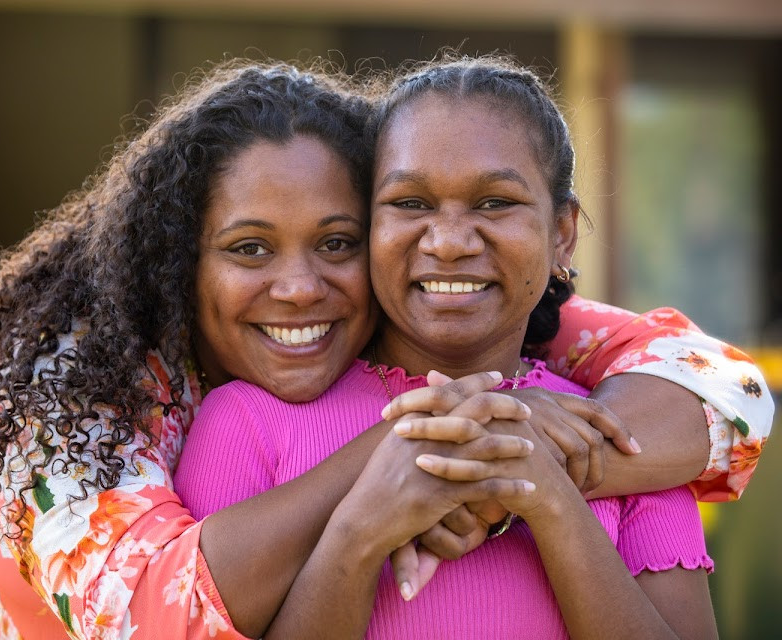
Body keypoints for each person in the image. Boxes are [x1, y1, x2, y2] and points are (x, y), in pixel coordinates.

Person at [0, 60, 772, 639]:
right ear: (177, 259)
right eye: (249, 248)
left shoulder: (528, 347)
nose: (299, 289)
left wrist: (526, 458)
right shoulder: (84, 394)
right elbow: (166, 611)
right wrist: (416, 457)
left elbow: (720, 388)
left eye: (336, 242)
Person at [174, 55, 752, 638]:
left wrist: (546, 493)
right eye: (411, 203)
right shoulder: (244, 422)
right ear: (367, 226)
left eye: (495, 202)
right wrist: (362, 527)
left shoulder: (614, 447)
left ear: (562, 234)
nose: (448, 243)